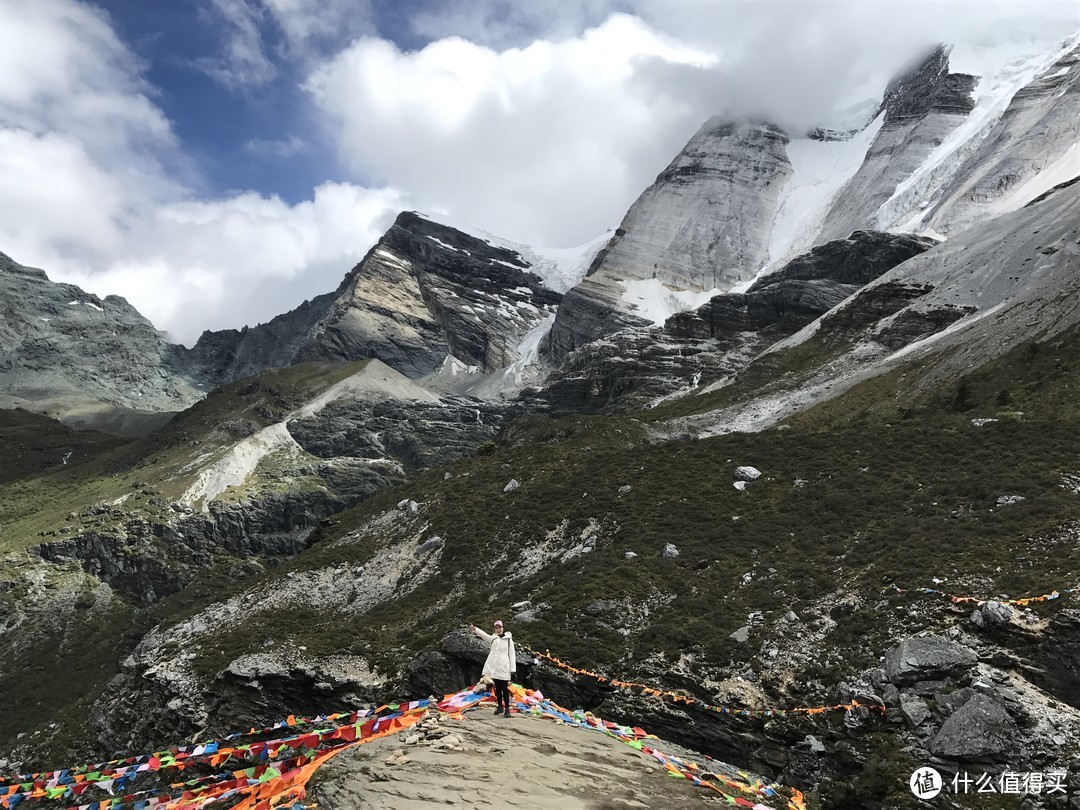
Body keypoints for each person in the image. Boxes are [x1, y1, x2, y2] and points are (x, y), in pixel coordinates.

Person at [469, 619, 516, 716]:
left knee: (504, 688)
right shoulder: (493, 639)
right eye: (496, 628)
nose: (498, 629)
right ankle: (499, 707)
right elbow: (484, 636)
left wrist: (512, 670)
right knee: (497, 688)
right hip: (495, 668)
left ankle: (507, 709)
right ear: (495, 629)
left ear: (503, 628)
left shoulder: (508, 640)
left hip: (504, 668)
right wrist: (475, 629)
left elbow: (512, 655)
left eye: (500, 627)